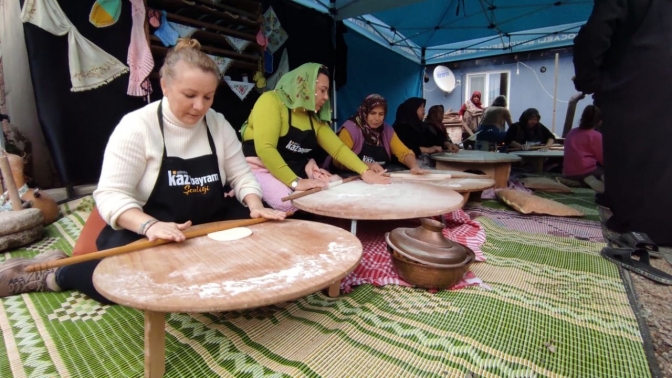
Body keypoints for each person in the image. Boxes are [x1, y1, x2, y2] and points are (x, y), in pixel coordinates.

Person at [0, 38, 286, 302]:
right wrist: (150, 225)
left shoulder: (219, 125)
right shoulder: (137, 127)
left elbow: (241, 175)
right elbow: (110, 195)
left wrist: (254, 203)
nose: (200, 107)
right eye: (190, 95)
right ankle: (56, 275)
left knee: (258, 253)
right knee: (123, 284)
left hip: (207, 224)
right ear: (164, 86)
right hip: (148, 229)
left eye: (208, 97)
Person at [573, 0, 671, 245]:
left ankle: (641, 227)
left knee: (636, 152)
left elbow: (596, 32)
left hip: (637, 76)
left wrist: (590, 80)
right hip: (651, 71)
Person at [241, 63, 389, 212]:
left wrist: (365, 172)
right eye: (322, 91)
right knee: (289, 203)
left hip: (294, 165)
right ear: (305, 85)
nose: (326, 98)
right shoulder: (271, 100)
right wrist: (295, 183)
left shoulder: (313, 117)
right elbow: (265, 149)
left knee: (334, 185)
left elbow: (338, 149)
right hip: (260, 167)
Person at [326, 94, 426, 175]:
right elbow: (338, 160)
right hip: (347, 179)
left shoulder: (387, 131)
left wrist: (414, 166)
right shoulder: (351, 129)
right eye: (372, 113)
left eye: (381, 114)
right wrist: (368, 165)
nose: (377, 118)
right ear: (365, 112)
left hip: (376, 180)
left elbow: (404, 152)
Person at [393, 98, 458, 168]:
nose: (423, 109)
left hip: (423, 163)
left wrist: (447, 144)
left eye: (424, 107)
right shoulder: (400, 128)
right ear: (412, 109)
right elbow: (404, 148)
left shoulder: (421, 126)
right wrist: (428, 150)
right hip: (406, 166)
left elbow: (433, 139)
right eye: (420, 106)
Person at [563, 105, 603, 181]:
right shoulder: (596, 136)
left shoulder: (572, 132)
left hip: (568, 173)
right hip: (586, 172)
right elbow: (603, 159)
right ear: (599, 120)